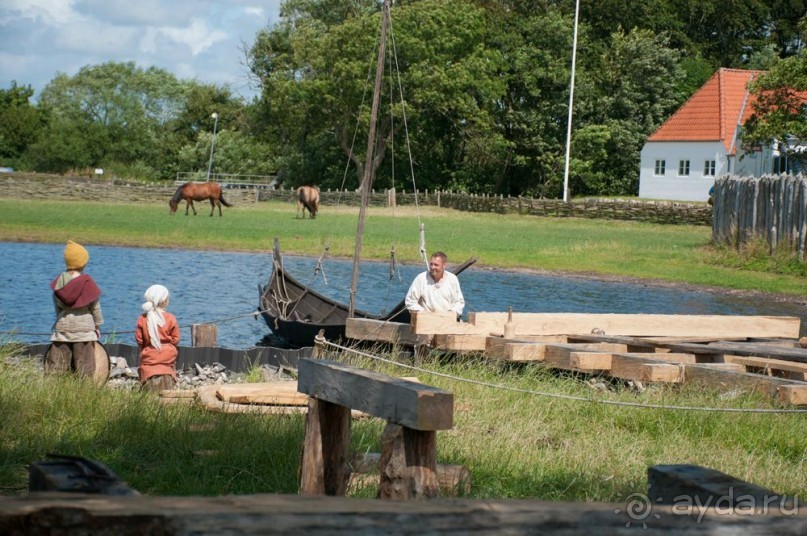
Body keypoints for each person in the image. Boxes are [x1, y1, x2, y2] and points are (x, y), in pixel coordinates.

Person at [47, 240, 104, 377]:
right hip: (84, 331)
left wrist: (60, 319)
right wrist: (97, 325)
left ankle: (54, 392)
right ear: (83, 263)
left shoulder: (59, 282)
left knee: (57, 367)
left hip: (63, 329)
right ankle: (84, 393)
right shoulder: (87, 283)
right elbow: (95, 308)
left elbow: (57, 307)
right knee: (85, 368)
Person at [135, 284, 180, 392]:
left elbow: (139, 340)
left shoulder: (142, 319)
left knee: (145, 359)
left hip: (150, 355)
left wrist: (147, 347)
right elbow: (175, 339)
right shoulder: (170, 318)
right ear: (164, 301)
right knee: (171, 353)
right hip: (168, 355)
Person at [405, 251, 465, 320]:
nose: (433, 267)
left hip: (448, 321)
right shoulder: (421, 278)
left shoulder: (452, 279)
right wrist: (424, 313)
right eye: (431, 264)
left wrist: (450, 314)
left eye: (436, 265)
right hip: (426, 321)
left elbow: (459, 302)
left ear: (444, 265)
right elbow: (410, 301)